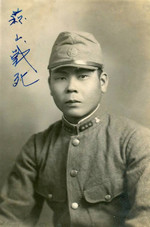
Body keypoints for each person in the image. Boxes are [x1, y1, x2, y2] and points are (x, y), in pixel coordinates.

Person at [0, 31, 150, 227]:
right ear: (50, 84)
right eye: (61, 78)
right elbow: (11, 219)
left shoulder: (135, 140)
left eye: (83, 76)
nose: (71, 87)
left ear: (102, 82)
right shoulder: (37, 148)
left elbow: (145, 219)